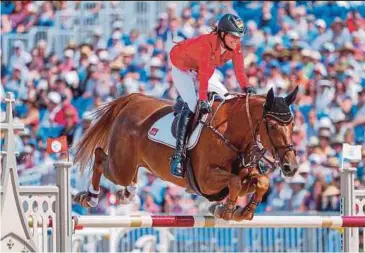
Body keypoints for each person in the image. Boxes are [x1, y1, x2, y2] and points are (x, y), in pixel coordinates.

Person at [168, 14, 256, 178]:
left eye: (239, 37)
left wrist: (246, 86)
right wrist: (202, 100)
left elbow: (239, 69)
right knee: (193, 105)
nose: (236, 40)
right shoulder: (207, 44)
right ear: (222, 33)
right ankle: (178, 156)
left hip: (200, 71)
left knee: (227, 100)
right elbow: (204, 76)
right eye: (233, 36)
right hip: (182, 67)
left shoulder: (234, 46)